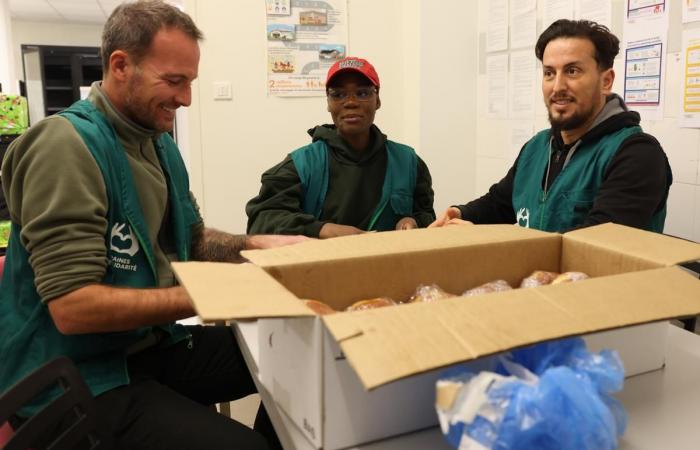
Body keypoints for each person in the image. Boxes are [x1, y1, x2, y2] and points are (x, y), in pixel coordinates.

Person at [0, 2, 303, 449]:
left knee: (293, 360)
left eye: (191, 82)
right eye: (174, 81)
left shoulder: (157, 145)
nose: (186, 99)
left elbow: (193, 238)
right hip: (74, 378)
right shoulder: (63, 146)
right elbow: (73, 308)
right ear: (121, 65)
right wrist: (217, 293)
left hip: (144, 349)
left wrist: (256, 244)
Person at [431, 19, 671, 233]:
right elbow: (500, 203)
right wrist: (460, 214)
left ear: (606, 81)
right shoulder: (536, 147)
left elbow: (596, 245)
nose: (557, 87)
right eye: (549, 73)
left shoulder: (637, 154)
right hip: (539, 281)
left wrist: (482, 239)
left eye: (572, 71)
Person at [246, 56, 436, 238]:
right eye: (338, 95)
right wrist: (323, 229)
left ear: (377, 100)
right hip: (322, 268)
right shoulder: (302, 165)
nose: (351, 103)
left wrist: (413, 221)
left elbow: (426, 214)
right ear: (328, 103)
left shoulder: (407, 161)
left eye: (362, 93)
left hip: (389, 267)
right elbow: (261, 220)